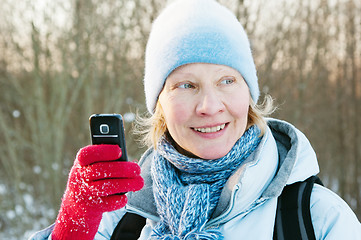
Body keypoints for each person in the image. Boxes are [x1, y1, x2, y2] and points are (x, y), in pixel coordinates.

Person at [30, 0, 361, 239]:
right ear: (160, 104)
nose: (209, 105)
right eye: (185, 85)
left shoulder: (317, 219)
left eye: (226, 81)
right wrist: (71, 229)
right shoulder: (119, 220)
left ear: (249, 94)